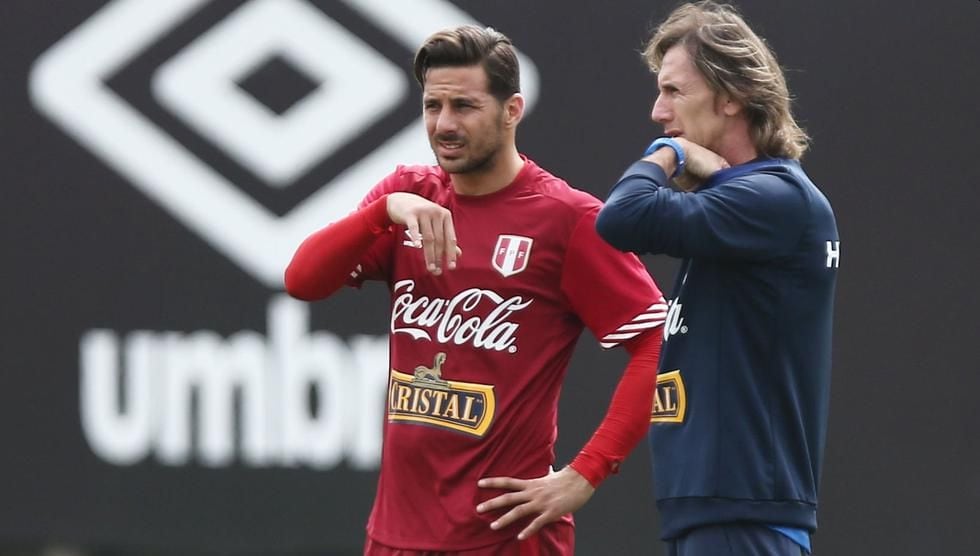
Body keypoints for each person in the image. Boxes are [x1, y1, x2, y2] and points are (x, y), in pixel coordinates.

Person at [285, 25, 666, 555]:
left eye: (464, 106)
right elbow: (302, 281)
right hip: (394, 535)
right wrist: (381, 212)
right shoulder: (406, 198)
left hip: (506, 538)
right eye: (432, 105)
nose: (444, 124)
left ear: (512, 110)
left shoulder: (567, 219)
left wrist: (585, 474)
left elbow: (656, 342)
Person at [595, 2, 839, 555]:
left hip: (743, 512)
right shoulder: (750, 199)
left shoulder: (772, 198)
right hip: (721, 510)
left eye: (674, 92)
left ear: (731, 96)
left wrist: (670, 153)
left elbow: (622, 215)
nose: (658, 112)